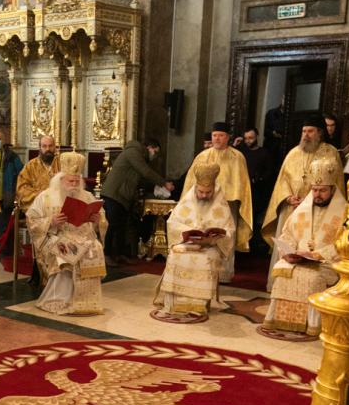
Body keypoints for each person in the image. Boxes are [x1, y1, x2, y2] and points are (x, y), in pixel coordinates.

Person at [263, 165, 348, 337]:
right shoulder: (302, 209)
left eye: (322, 190)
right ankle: (277, 319)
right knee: (282, 274)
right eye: (314, 190)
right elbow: (288, 234)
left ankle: (311, 324)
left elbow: (345, 243)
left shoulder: (344, 212)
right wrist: (288, 252)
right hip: (298, 259)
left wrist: (317, 254)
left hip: (326, 262)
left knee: (312, 279)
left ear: (332, 189)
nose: (317, 194)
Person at [261, 115, 343, 285]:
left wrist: (311, 198)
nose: (306, 135)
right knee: (288, 243)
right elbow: (282, 179)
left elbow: (335, 183)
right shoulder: (293, 153)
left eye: (310, 131)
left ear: (320, 133)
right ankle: (281, 283)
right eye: (304, 131)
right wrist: (287, 197)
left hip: (319, 208)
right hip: (291, 208)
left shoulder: (330, 152)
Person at [26, 153, 107, 315]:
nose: (74, 184)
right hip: (55, 237)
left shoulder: (87, 196)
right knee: (70, 249)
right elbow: (31, 220)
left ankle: (87, 302)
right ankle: (60, 300)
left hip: (83, 237)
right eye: (71, 181)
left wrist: (98, 221)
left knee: (94, 247)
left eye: (77, 181)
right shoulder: (46, 197)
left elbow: (103, 221)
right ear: (61, 180)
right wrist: (51, 222)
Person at [154, 163, 235, 320]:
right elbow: (172, 223)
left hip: (210, 247)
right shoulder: (188, 199)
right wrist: (187, 232)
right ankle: (174, 303)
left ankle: (198, 304)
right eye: (201, 191)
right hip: (187, 243)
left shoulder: (221, 203)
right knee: (176, 255)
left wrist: (215, 238)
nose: (204, 195)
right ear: (196, 187)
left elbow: (229, 230)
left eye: (208, 192)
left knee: (204, 258)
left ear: (214, 189)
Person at [183, 122, 253, 282]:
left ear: (228, 137)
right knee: (204, 236)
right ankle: (202, 270)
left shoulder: (237, 157)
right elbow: (191, 181)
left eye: (221, 135)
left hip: (227, 207)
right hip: (204, 205)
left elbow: (242, 184)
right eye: (215, 135)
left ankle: (223, 274)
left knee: (225, 237)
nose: (217, 138)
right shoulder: (202, 156)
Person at [101, 138, 171, 265]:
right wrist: (164, 183)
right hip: (114, 193)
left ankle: (119, 254)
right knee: (113, 225)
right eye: (155, 151)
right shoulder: (133, 152)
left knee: (122, 226)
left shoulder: (139, 155)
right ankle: (107, 254)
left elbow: (138, 179)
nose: (154, 155)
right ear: (149, 147)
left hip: (123, 195)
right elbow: (145, 171)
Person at [0, 130, 23, 246]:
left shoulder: (12, 156)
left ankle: (5, 255)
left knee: (4, 229)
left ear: (3, 141)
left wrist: (17, 193)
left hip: (5, 200)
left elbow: (22, 175)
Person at [16, 135, 60, 212]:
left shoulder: (62, 164)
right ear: (39, 148)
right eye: (44, 146)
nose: (48, 149)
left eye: (50, 146)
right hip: (38, 208)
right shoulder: (30, 166)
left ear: (55, 147)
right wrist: (43, 195)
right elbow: (22, 189)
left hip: (59, 207)